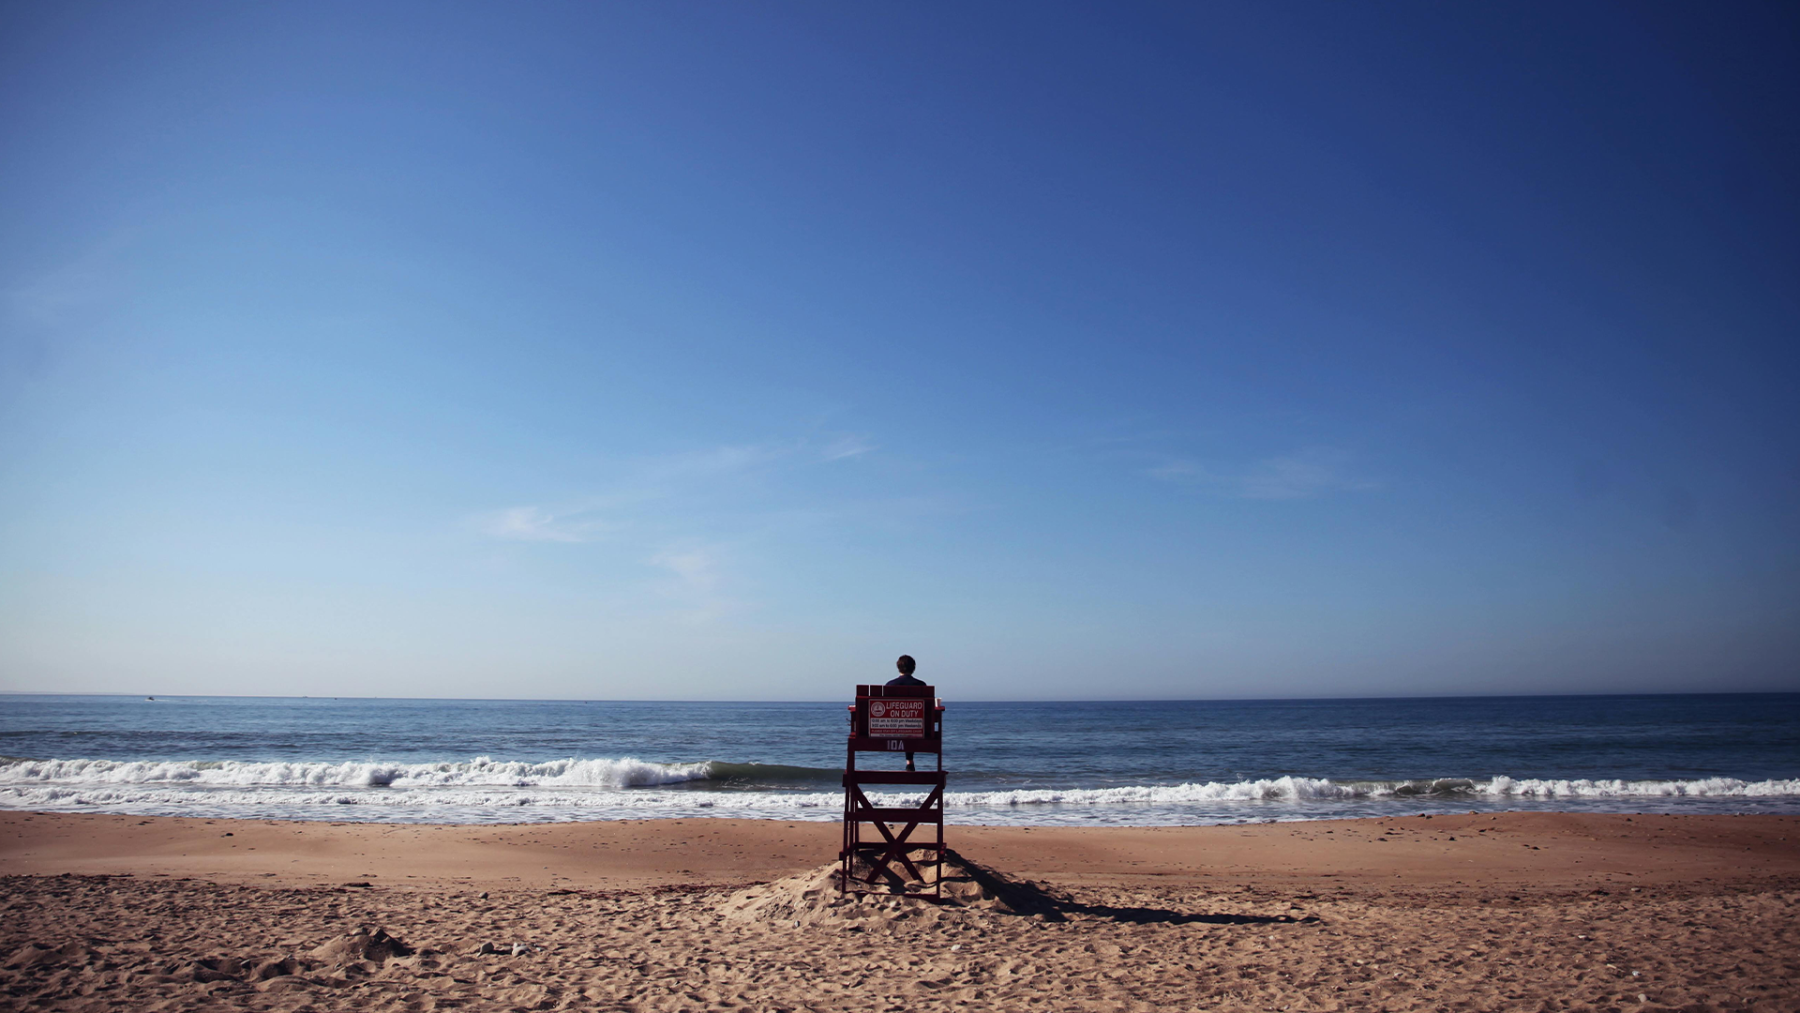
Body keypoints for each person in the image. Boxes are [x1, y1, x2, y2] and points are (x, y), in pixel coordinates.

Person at [886, 654, 926, 771]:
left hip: (891, 728)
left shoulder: (890, 685)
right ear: (913, 668)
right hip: (916, 729)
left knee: (904, 725)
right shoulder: (921, 685)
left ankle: (909, 761)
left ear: (898, 667)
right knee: (911, 725)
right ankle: (910, 761)